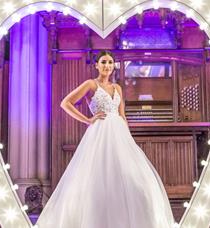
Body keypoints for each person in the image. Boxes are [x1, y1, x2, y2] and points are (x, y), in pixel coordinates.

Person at [37, 50, 175, 228]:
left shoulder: (118, 88)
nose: (107, 66)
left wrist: (128, 139)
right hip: (100, 133)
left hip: (119, 134)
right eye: (103, 62)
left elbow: (122, 115)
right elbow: (65, 103)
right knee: (97, 177)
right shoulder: (90, 84)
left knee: (131, 178)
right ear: (96, 65)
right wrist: (87, 120)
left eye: (110, 62)